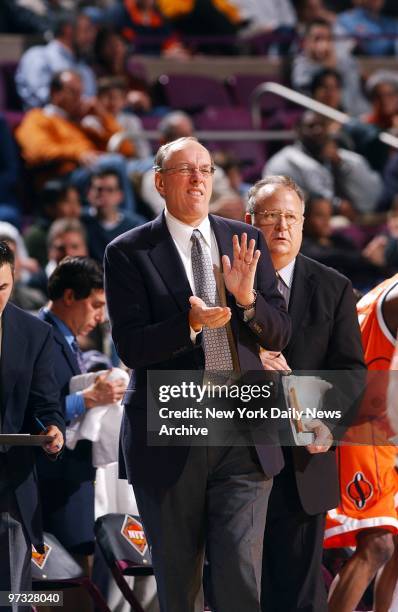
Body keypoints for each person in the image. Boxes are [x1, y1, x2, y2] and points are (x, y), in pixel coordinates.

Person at [104, 136, 291, 611]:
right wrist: (187, 324)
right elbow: (130, 347)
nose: (198, 179)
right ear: (160, 182)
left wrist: (247, 301)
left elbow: (281, 332)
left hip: (242, 431)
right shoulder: (127, 251)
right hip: (171, 429)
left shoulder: (243, 239)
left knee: (239, 576)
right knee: (180, 584)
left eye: (205, 169)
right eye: (185, 170)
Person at [245, 175, 365, 612]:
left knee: (298, 594)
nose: (282, 227)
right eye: (271, 216)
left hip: (303, 464)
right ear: (249, 222)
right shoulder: (225, 283)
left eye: (291, 217)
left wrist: (329, 424)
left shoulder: (333, 287)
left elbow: (350, 371)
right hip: (237, 460)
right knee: (239, 588)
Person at [36, 256, 126, 611]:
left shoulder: (68, 342)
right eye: (96, 305)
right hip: (49, 488)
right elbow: (30, 408)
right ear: (70, 296)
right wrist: (84, 400)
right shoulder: (37, 335)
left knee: (75, 594)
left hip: (72, 487)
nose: (100, 317)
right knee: (54, 596)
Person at [325, 274, 398, 612]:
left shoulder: (386, 287)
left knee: (389, 543)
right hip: (363, 428)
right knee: (377, 544)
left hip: (378, 427)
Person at [0, 241, 64, 605]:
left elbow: (46, 404)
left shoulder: (34, 333)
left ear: (14, 279)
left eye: (1, 288)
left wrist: (52, 429)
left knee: (9, 596)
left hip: (10, 480)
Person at [264, 111, 383, 216]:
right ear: (298, 130)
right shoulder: (283, 161)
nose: (318, 130)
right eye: (311, 126)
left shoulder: (343, 157)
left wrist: (340, 164)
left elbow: (372, 196)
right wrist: (336, 205)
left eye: (322, 125)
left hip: (351, 220)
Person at [83, 169, 145, 262]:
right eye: (99, 189)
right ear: (89, 193)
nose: (103, 194)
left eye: (110, 190)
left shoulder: (136, 226)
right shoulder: (80, 221)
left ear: (120, 195)